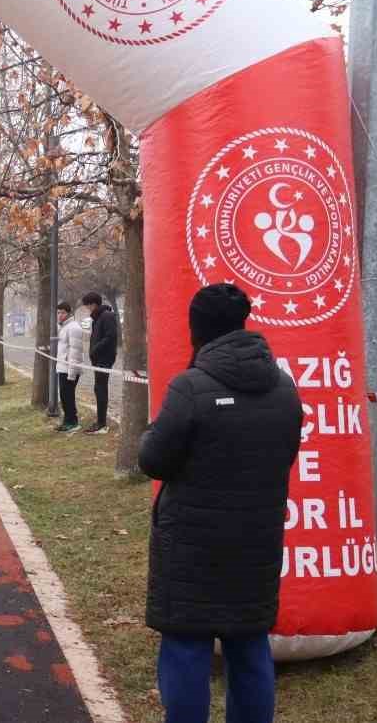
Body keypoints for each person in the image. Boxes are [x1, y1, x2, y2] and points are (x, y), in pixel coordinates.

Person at [139, 284, 302, 723]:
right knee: (249, 646)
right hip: (257, 541)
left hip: (192, 546)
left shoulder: (190, 387)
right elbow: (285, 455)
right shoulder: (285, 389)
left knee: (187, 645)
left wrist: (151, 434)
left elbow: (153, 460)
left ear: (198, 329)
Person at [82, 292, 119, 435]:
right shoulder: (98, 318)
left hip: (104, 358)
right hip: (98, 358)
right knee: (98, 389)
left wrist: (95, 349)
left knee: (101, 389)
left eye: (88, 306)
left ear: (93, 304)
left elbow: (110, 337)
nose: (87, 309)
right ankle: (100, 420)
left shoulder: (107, 316)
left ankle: (102, 422)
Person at [55, 301, 84, 433]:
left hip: (69, 369)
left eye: (62, 313)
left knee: (68, 396)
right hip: (62, 368)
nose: (60, 315)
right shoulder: (64, 327)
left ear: (69, 313)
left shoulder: (74, 328)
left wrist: (72, 373)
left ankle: (73, 422)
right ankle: (67, 421)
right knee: (64, 396)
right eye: (58, 312)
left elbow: (75, 351)